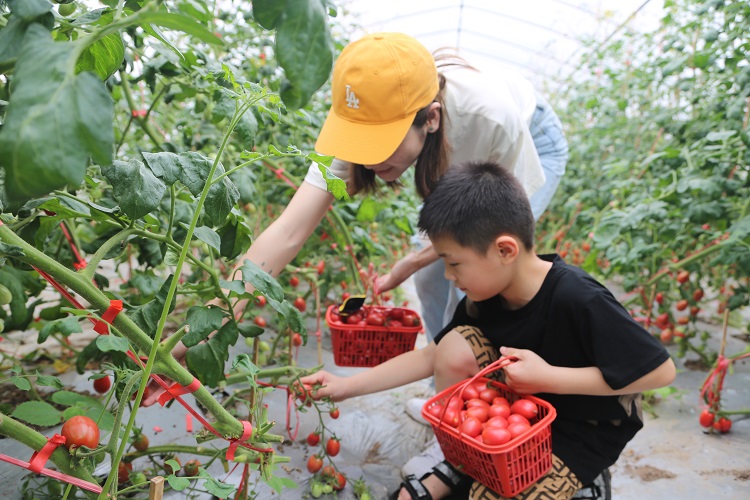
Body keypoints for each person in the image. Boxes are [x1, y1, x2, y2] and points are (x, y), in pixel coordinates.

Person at [145, 31, 567, 407]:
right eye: (360, 141)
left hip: (532, 139)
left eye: (380, 143)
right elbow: (289, 232)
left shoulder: (490, 119)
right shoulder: (365, 116)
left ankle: (482, 393)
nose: (366, 157)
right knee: (430, 281)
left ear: (431, 118)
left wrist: (417, 258)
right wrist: (209, 319)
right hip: (453, 140)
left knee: (480, 277)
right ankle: (446, 386)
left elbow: (503, 233)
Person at [298, 161, 676, 500]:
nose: (449, 275)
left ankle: (587, 482)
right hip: (510, 417)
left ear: (505, 250)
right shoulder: (485, 295)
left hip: (581, 429)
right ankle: (461, 453)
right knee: (453, 345)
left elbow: (660, 372)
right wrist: (347, 386)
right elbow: (435, 355)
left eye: (454, 263)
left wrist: (550, 378)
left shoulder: (580, 299)